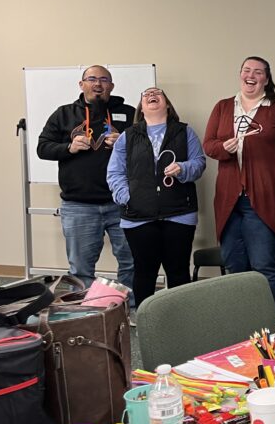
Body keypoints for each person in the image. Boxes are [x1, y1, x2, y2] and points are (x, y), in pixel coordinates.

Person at [203, 56, 275, 313]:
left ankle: (271, 320)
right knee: (234, 265)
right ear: (240, 75)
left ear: (266, 79)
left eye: (258, 72)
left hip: (264, 200)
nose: (251, 75)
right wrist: (223, 147)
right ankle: (241, 321)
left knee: (263, 265)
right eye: (247, 70)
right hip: (228, 199)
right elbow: (209, 145)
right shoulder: (223, 107)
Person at [36, 65, 136, 298]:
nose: (98, 84)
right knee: (81, 270)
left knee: (132, 262)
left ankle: (129, 309)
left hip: (123, 203)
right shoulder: (64, 114)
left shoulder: (130, 114)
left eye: (103, 79)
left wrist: (125, 143)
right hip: (78, 205)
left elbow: (149, 151)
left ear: (111, 85)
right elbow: (42, 147)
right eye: (91, 79)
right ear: (82, 85)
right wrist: (68, 147)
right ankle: (87, 316)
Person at [106, 87, 206, 307]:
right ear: (141, 107)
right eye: (146, 94)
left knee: (178, 271)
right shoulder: (128, 136)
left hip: (179, 214)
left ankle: (180, 322)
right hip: (138, 216)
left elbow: (199, 164)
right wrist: (127, 197)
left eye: (158, 93)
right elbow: (114, 172)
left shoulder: (184, 132)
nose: (152, 96)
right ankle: (146, 322)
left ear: (167, 105)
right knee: (144, 272)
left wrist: (182, 168)